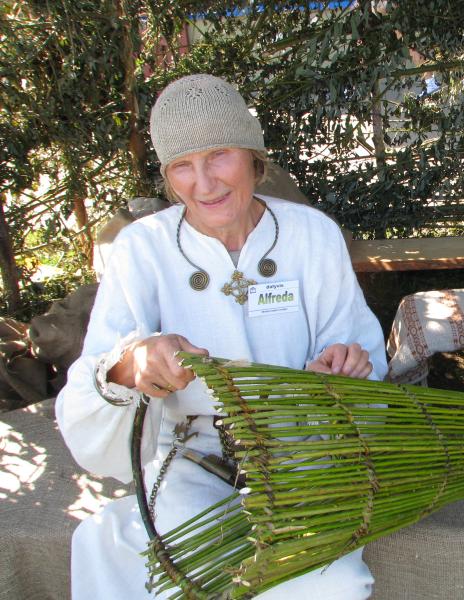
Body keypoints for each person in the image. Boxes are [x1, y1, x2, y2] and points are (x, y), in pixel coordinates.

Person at [56, 74, 388, 599]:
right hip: (194, 452)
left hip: (301, 451)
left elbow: (355, 349)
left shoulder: (312, 234)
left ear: (253, 157)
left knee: (331, 584)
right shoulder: (143, 248)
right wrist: (133, 364)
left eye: (218, 155)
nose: (203, 183)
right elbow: (100, 374)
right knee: (172, 568)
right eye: (182, 165)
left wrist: (341, 368)